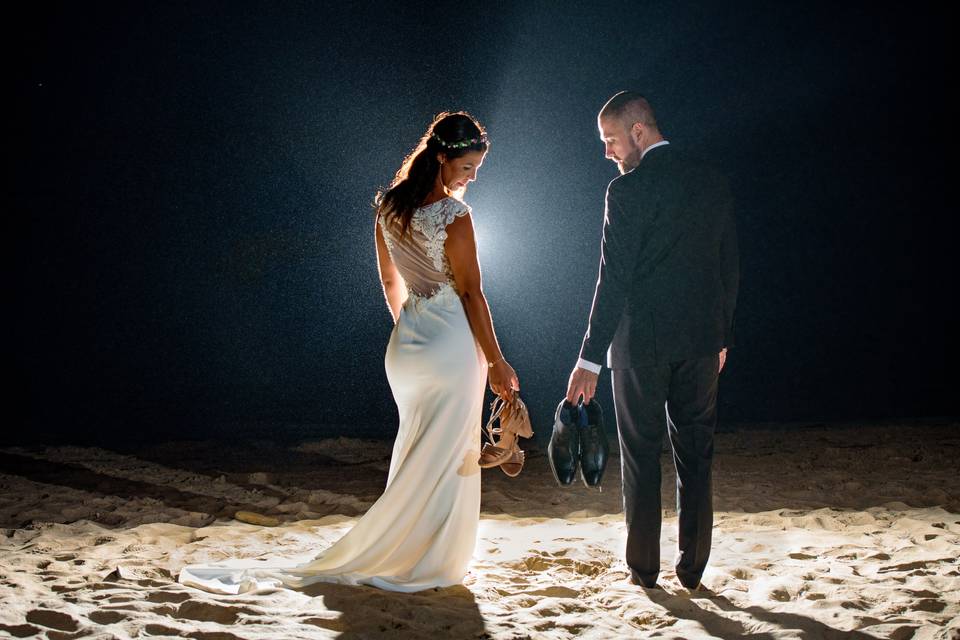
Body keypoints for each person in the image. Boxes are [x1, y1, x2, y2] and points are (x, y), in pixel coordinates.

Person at [178, 111, 520, 594]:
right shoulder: (454, 216)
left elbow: (389, 282)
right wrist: (498, 361)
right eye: (467, 167)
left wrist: (411, 329)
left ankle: (407, 545)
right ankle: (429, 557)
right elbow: (470, 294)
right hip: (451, 344)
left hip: (407, 346)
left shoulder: (388, 209)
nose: (472, 177)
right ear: (442, 158)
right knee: (446, 454)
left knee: (418, 447)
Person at [565, 91, 739, 590]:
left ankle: (644, 572)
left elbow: (611, 281)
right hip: (703, 341)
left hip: (639, 347)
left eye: (611, 141)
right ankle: (693, 570)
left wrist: (588, 360)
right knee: (696, 456)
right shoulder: (711, 179)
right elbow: (729, 265)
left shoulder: (626, 193)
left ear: (637, 132)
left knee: (641, 458)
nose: (608, 154)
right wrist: (721, 335)